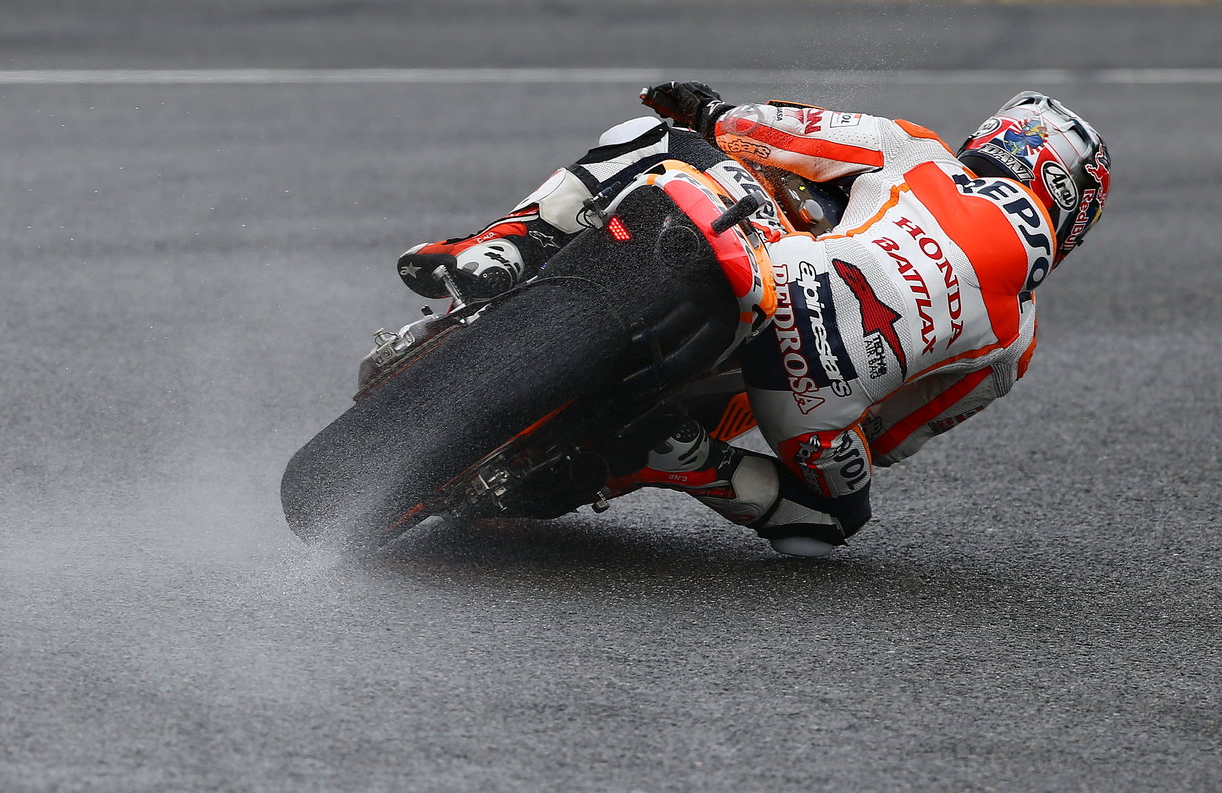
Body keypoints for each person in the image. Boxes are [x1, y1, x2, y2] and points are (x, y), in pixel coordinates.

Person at [395, 84, 1110, 557]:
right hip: (808, 403)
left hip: (783, 276)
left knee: (653, 138)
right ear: (1073, 214)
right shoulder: (1017, 341)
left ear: (996, 137)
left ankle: (500, 248)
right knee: (829, 521)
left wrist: (708, 113)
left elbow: (771, 132)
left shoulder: (921, 153)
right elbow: (888, 439)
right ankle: (687, 461)